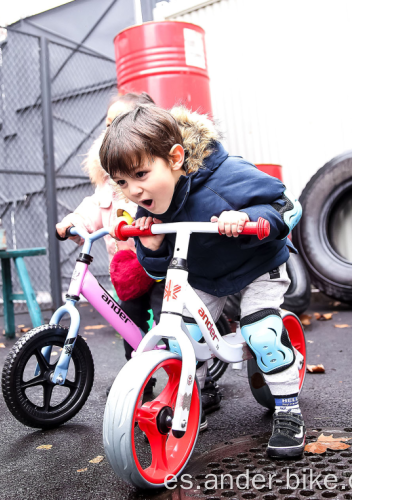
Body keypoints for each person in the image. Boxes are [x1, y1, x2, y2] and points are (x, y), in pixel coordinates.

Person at [99, 104, 305, 459]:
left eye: (141, 174)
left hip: (258, 264)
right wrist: (149, 246)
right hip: (207, 274)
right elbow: (156, 270)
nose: (132, 190)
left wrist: (248, 218)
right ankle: (190, 402)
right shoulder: (147, 206)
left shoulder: (226, 176)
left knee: (262, 333)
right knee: (184, 339)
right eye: (121, 182)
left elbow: (288, 205)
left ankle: (288, 409)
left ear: (176, 157)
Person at [55, 94, 221, 426]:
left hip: (164, 269)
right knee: (128, 323)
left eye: (123, 119)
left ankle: (198, 384)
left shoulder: (154, 178)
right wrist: (74, 222)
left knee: (174, 325)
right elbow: (93, 206)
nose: (114, 128)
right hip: (128, 271)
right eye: (108, 124)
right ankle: (138, 379)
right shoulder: (112, 185)